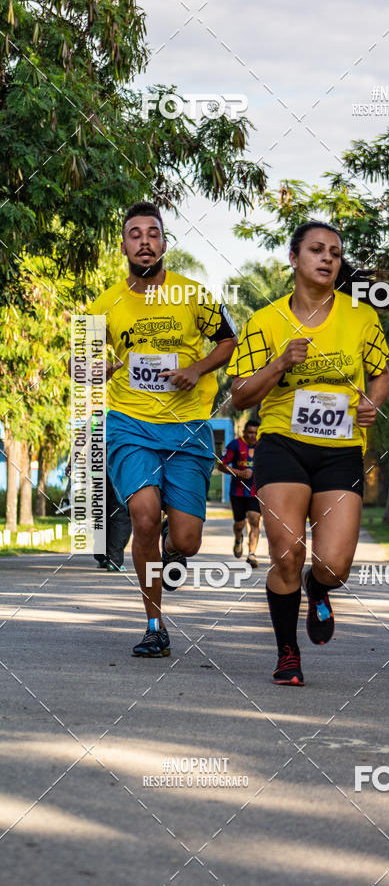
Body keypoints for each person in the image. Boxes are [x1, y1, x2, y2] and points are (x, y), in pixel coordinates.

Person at [227, 221, 389, 685]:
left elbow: (379, 375)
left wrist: (371, 403)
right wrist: (279, 364)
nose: (327, 259)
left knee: (334, 565)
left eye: (335, 253)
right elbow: (239, 395)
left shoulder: (361, 317)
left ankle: (319, 590)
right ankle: (287, 652)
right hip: (283, 443)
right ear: (294, 258)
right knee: (286, 553)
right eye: (316, 250)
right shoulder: (265, 320)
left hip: (341, 449)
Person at [82, 201, 236, 657]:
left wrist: (198, 366)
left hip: (187, 427)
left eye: (153, 233)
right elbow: (80, 362)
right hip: (130, 423)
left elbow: (228, 340)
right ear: (124, 245)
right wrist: (98, 367)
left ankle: (171, 542)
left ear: (164, 243)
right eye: (135, 233)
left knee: (186, 539)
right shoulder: (102, 304)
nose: (144, 241)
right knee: (144, 516)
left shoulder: (194, 294)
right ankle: (155, 624)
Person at [217, 419, 261, 568]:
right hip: (238, 491)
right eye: (250, 432)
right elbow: (221, 465)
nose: (252, 436)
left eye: (255, 433)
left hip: (255, 492)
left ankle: (252, 554)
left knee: (254, 519)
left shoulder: (263, 447)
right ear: (244, 432)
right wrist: (239, 473)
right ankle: (238, 538)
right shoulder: (235, 445)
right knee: (239, 524)